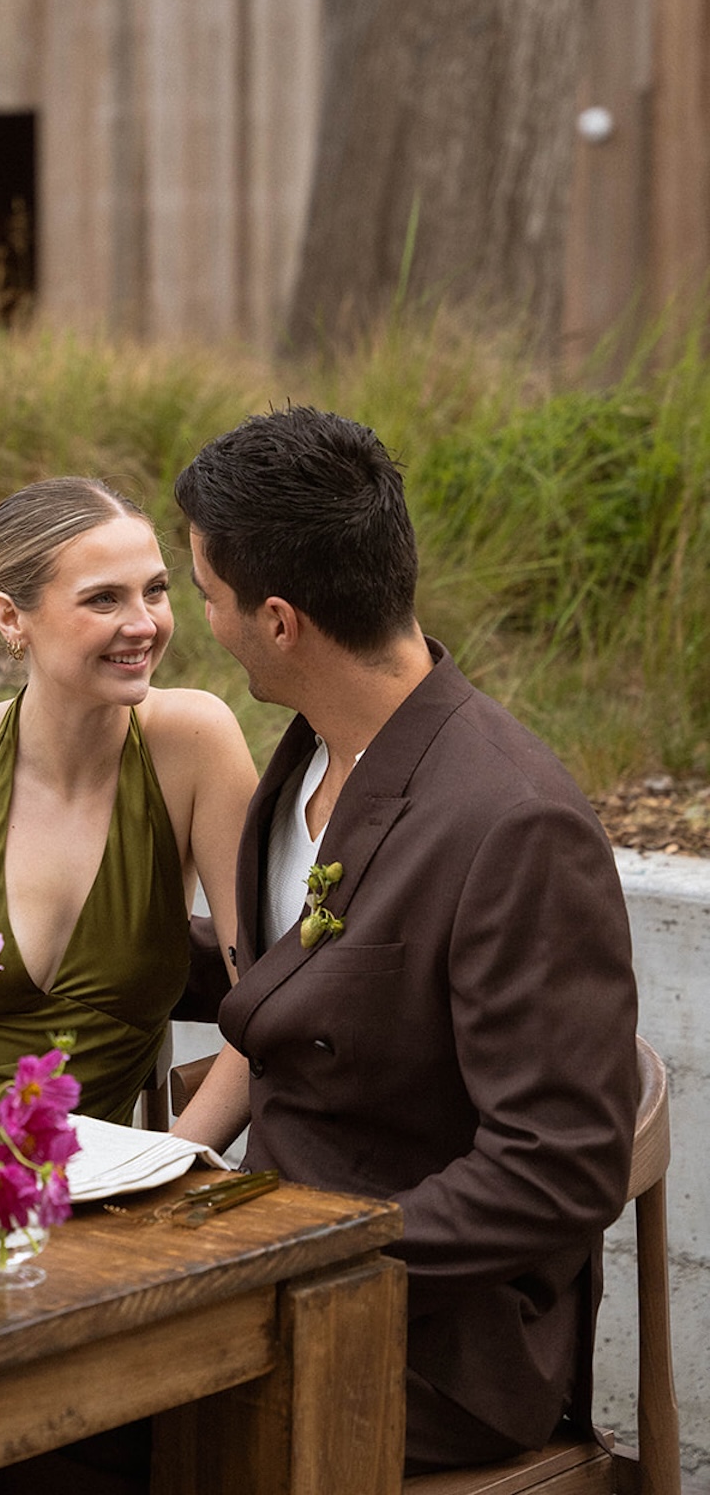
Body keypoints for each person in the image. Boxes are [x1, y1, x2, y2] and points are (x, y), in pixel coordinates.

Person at [170, 405, 638, 1475]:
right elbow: (303, 979)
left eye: (204, 595)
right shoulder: (303, 762)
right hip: (263, 1269)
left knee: (52, 1434)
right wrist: (104, 950)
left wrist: (295, 1257)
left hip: (428, 1346)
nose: (205, 621)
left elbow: (555, 1169)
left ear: (278, 620)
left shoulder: (511, 825)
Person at [0, 475, 257, 1126]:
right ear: (10, 616)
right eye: (104, 599)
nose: (144, 624)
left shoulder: (194, 743)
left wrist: (171, 1160)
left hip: (121, 1184)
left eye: (155, 591)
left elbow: (267, 1009)